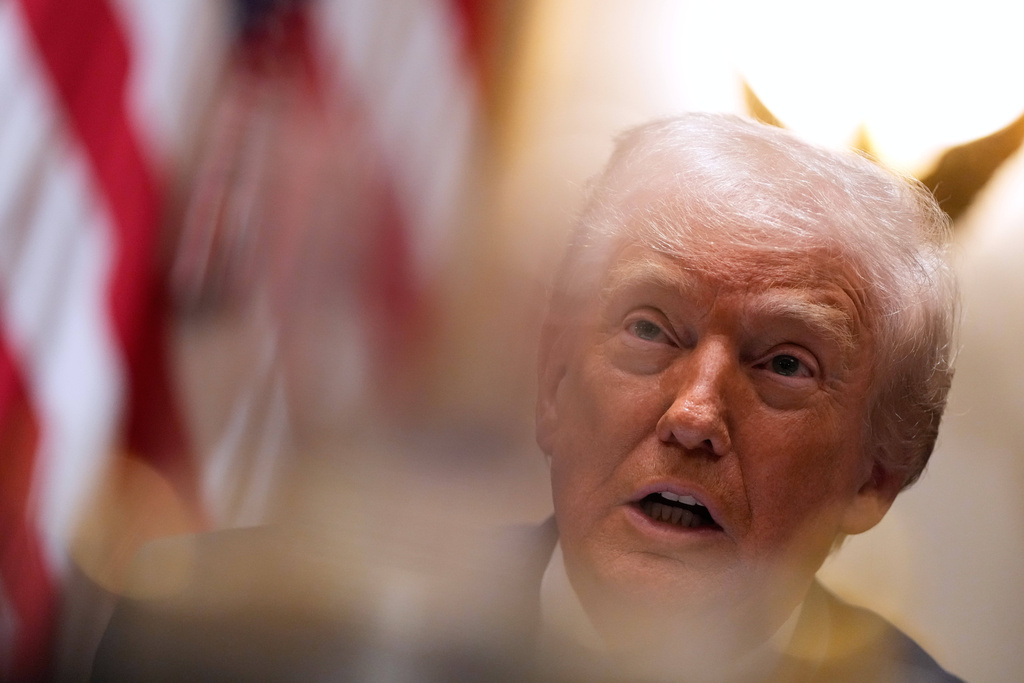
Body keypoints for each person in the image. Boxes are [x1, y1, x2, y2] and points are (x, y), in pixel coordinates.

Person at [526, 112, 963, 682]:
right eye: (650, 329)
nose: (694, 416)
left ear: (876, 474)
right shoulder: (391, 620)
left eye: (785, 365)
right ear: (555, 383)